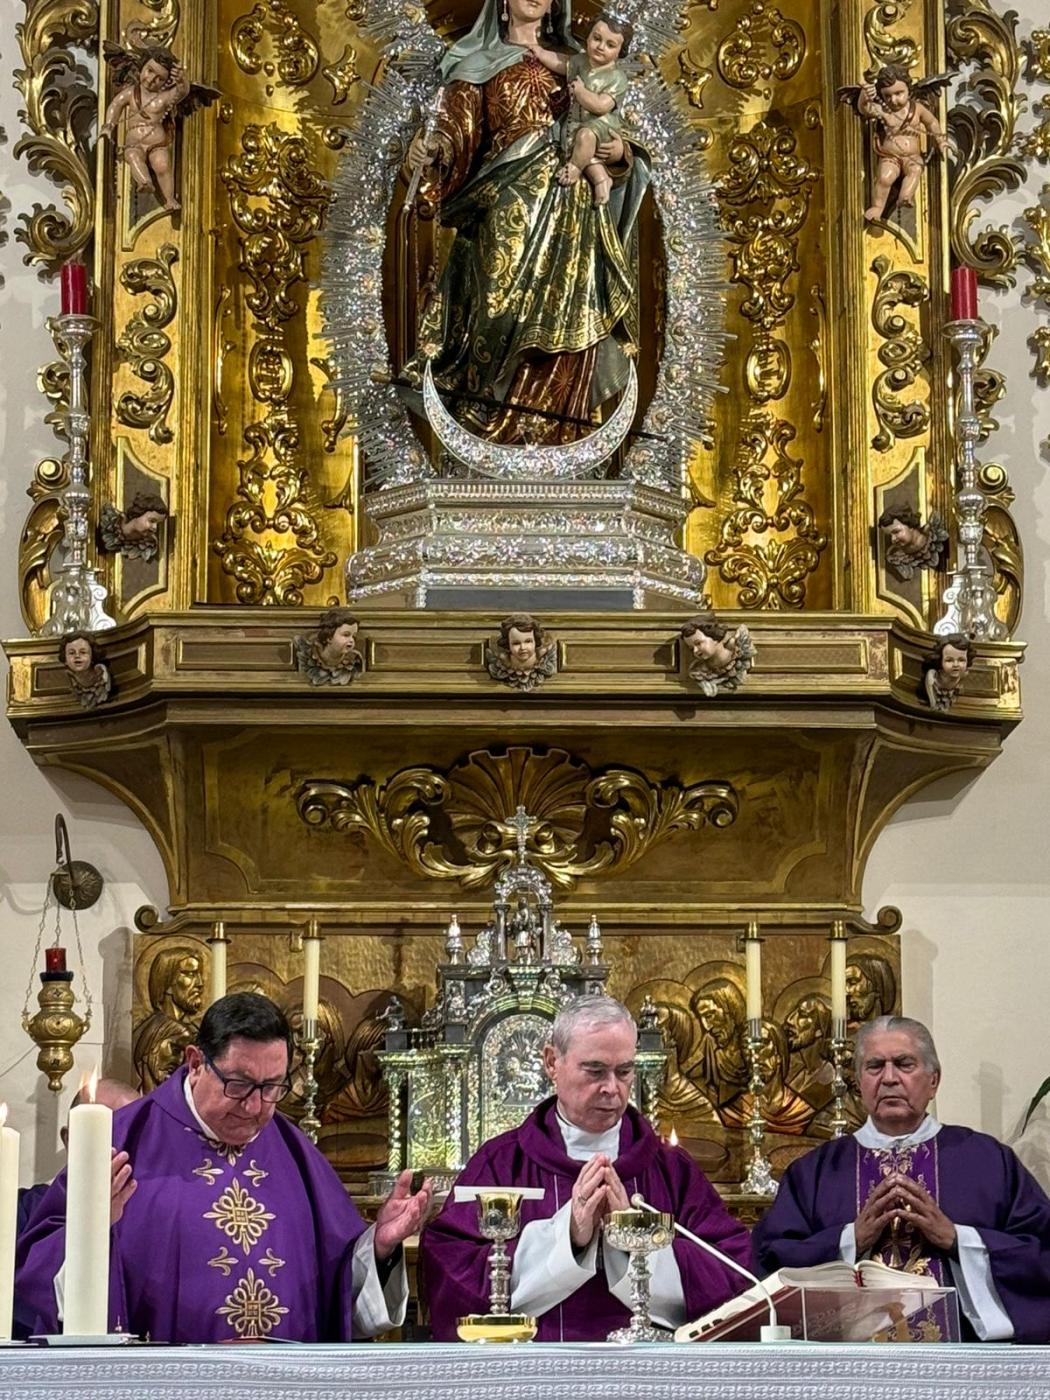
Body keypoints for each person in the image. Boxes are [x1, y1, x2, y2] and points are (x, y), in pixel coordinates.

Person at [17, 993, 432, 1342]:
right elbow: (38, 1283)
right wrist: (91, 1228)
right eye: (238, 1084)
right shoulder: (119, 1140)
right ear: (196, 1063)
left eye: (272, 1087)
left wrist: (379, 1245)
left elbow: (339, 1288)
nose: (254, 1106)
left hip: (282, 1387)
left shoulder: (295, 1152)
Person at [420, 994, 751, 1340]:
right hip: (532, 1380)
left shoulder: (671, 1170)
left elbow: (732, 1274)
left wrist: (629, 1238)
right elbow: (448, 1273)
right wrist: (568, 1236)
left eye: (624, 1071)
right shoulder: (501, 1163)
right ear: (552, 1062)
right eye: (595, 1071)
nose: (612, 1088)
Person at [404, 0, 649, 444]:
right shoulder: (477, 63)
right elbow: (457, 132)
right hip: (505, 201)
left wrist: (619, 156)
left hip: (570, 207)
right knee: (496, 307)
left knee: (569, 312)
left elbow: (613, 128)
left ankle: (555, 430)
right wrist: (434, 150)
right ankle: (489, 426)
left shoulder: (579, 61)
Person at [752, 1015, 1050, 1342]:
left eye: (904, 1064)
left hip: (964, 1360)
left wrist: (956, 1239)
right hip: (847, 1365)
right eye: (875, 1066)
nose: (889, 1078)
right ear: (859, 1082)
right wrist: (850, 1239)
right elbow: (771, 1262)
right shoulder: (815, 1172)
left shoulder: (987, 1161)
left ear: (934, 1081)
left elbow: (1040, 1252)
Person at [14, 1080, 140, 1339]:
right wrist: (92, 1223)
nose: (126, 1146)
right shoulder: (23, 1212)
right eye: (113, 1132)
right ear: (69, 1138)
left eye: (135, 1132)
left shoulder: (155, 1215)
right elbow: (23, 1305)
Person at [530, 15, 630, 206]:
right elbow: (561, 63)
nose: (600, 47)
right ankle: (601, 180)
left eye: (610, 45)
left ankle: (574, 169)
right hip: (576, 122)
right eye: (597, 38)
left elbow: (601, 106)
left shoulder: (617, 77)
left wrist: (581, 92)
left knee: (585, 138)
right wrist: (540, 52)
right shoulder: (580, 61)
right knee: (583, 148)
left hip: (601, 125)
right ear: (588, 37)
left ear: (620, 51)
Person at [857, 65, 948, 222]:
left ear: (909, 89)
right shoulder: (884, 110)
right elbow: (865, 109)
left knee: (916, 170)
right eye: (887, 96)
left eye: (899, 93)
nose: (894, 100)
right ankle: (878, 207)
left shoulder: (917, 109)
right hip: (890, 156)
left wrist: (940, 140)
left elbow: (932, 122)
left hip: (912, 156)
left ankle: (905, 197)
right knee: (885, 178)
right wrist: (864, 96)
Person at [923, 633, 974, 711]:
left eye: (961, 660)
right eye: (949, 660)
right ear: (940, 661)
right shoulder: (933, 677)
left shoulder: (965, 676)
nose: (956, 665)